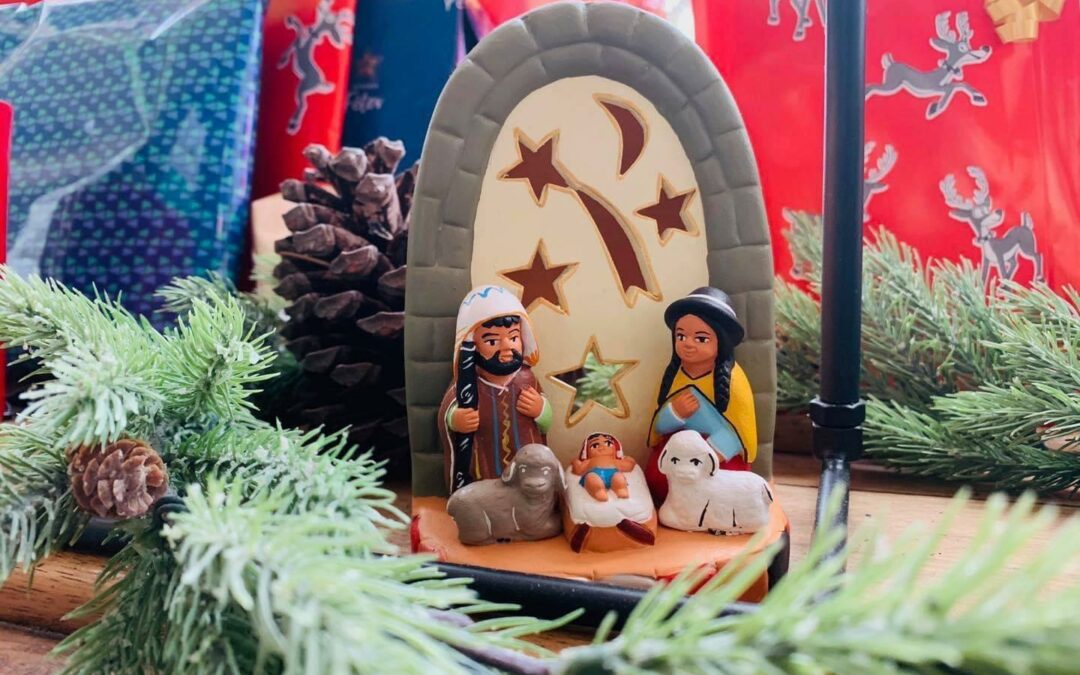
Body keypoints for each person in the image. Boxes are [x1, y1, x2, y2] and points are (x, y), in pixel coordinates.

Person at [644, 287, 757, 503]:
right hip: (678, 449)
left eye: (701, 338)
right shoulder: (673, 376)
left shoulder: (733, 380)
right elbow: (657, 428)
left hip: (717, 454)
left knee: (719, 488)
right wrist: (674, 413)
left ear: (720, 341)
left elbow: (740, 433)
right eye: (681, 336)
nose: (688, 343)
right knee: (659, 478)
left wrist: (707, 455)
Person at [438, 285, 552, 490]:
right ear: (472, 346)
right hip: (485, 469)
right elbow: (447, 412)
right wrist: (455, 419)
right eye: (492, 341)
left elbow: (545, 425)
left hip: (526, 474)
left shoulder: (527, 379)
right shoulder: (467, 386)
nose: (506, 347)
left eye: (514, 337)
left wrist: (541, 410)